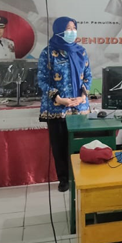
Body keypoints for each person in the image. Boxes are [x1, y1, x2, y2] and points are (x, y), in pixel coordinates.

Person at [38, 17, 92, 192]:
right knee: (59, 146)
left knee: (79, 145)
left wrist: (82, 97)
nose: (72, 32)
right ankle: (64, 179)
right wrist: (59, 99)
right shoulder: (48, 53)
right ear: (59, 30)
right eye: (68, 28)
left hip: (79, 107)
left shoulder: (81, 51)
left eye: (74, 28)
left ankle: (79, 177)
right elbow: (42, 80)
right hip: (57, 108)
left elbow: (88, 76)